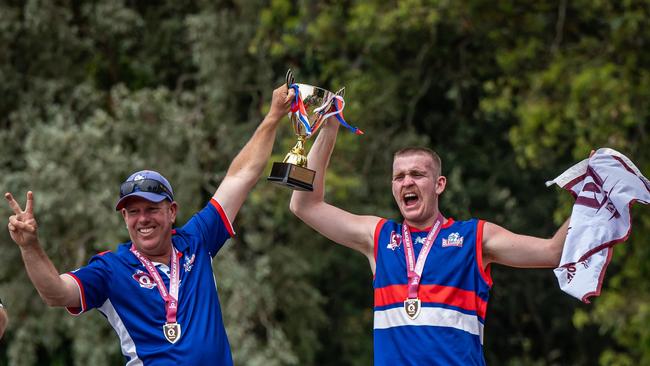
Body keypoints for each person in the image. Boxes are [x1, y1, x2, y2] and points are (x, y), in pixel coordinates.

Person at [5, 84, 294, 365]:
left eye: (152, 209)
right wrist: (30, 246)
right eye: (133, 212)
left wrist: (273, 116)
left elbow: (240, 177)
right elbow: (55, 292)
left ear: (171, 212)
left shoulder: (197, 240)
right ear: (124, 218)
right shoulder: (110, 269)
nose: (143, 219)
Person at [290, 120, 570, 366]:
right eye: (399, 177)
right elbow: (304, 204)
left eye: (417, 175)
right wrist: (329, 128)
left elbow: (552, 252)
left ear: (439, 184)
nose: (407, 182)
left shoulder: (474, 237)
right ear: (392, 187)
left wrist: (592, 195)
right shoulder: (379, 237)